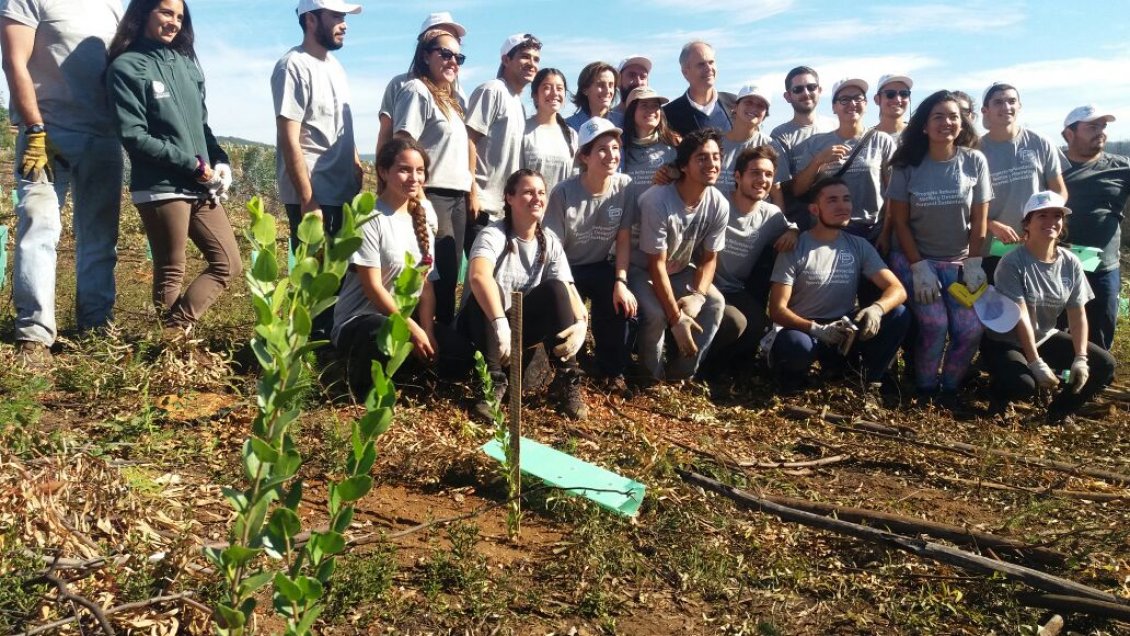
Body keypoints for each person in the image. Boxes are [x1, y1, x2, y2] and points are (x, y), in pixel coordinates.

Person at [106, 0, 240, 337]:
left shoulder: (187, 66)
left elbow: (202, 126)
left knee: (228, 263)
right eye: (166, 13)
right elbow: (134, 137)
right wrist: (193, 166)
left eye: (180, 16)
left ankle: (172, 333)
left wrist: (219, 159)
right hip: (161, 184)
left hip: (199, 184)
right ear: (143, 13)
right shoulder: (127, 67)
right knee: (171, 270)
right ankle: (172, 349)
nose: (174, 22)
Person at [0, 0, 123, 365]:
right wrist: (35, 127)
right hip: (49, 134)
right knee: (40, 227)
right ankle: (35, 336)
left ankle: (96, 328)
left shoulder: (112, 5)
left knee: (101, 237)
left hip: (103, 136)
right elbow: (13, 61)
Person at [332, 137, 472, 396]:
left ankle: (407, 372)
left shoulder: (423, 217)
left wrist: (427, 330)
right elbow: (373, 288)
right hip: (362, 320)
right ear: (384, 171)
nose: (414, 178)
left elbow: (426, 285)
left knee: (462, 354)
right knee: (381, 334)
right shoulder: (369, 217)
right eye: (404, 169)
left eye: (420, 171)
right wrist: (413, 328)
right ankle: (361, 384)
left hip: (409, 320)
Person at [887, 90, 991, 406]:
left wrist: (974, 263)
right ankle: (925, 388)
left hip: (958, 263)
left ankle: (950, 387)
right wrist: (918, 267)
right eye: (938, 117)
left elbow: (980, 220)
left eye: (953, 117)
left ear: (962, 123)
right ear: (923, 125)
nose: (946, 122)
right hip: (915, 259)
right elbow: (901, 223)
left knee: (970, 329)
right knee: (934, 325)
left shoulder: (974, 161)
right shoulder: (906, 165)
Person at [461, 169, 589, 420]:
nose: (536, 198)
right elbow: (478, 276)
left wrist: (582, 323)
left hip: (518, 327)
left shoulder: (549, 241)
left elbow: (567, 286)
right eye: (528, 192)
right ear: (509, 197)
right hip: (484, 324)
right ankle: (491, 385)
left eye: (541, 192)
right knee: (490, 289)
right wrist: (500, 325)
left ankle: (567, 379)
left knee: (555, 288)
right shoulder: (493, 234)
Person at [271, 0, 363, 341]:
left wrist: (355, 162)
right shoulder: (292, 66)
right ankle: (307, 354)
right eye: (336, 16)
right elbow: (290, 138)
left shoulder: (336, 66)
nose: (344, 24)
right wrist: (308, 200)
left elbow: (343, 124)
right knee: (315, 280)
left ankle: (330, 348)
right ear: (311, 20)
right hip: (314, 194)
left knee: (338, 276)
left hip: (341, 191)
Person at [982, 191, 1115, 423]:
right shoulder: (1012, 262)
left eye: (1057, 216)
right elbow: (1019, 314)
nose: (1051, 222)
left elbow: (1077, 313)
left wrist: (1081, 357)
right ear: (1027, 223)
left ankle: (1058, 412)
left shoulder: (1070, 262)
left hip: (1043, 336)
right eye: (1042, 216)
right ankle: (997, 394)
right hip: (1007, 340)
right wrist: (1034, 361)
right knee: (1024, 385)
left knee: (1104, 364)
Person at [768, 177, 909, 393]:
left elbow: (897, 289)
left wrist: (876, 309)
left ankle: (870, 382)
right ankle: (791, 380)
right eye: (832, 200)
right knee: (796, 347)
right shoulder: (796, 247)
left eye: (846, 199)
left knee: (899, 314)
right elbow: (777, 310)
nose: (842, 206)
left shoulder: (859, 245)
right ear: (815, 209)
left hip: (843, 330)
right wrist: (815, 329)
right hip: (804, 329)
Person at [628, 128, 728, 381]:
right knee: (656, 313)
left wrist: (698, 296)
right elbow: (655, 264)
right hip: (641, 268)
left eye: (716, 157)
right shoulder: (658, 200)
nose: (712, 164)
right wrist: (676, 319)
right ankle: (651, 377)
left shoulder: (718, 203)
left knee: (715, 304)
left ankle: (681, 374)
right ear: (683, 166)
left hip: (681, 268)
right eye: (702, 158)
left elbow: (709, 258)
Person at [543, 117, 636, 385]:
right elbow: (554, 250)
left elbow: (623, 238)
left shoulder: (625, 186)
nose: (611, 155)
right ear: (584, 156)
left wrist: (621, 281)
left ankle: (612, 370)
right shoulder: (563, 193)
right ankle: (568, 367)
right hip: (565, 267)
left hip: (598, 263)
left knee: (618, 302)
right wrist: (571, 293)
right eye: (602, 150)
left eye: (615, 148)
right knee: (567, 309)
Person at [392, 27, 474, 325]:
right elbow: (402, 143)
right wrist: (418, 196)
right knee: (432, 274)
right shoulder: (417, 91)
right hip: (432, 193)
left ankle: (443, 340)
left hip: (457, 195)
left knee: (451, 273)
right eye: (446, 54)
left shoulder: (450, 99)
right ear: (426, 56)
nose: (453, 61)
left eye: (459, 56)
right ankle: (427, 339)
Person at [698, 145, 796, 384]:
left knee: (758, 325)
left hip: (734, 288)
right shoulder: (716, 201)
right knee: (734, 322)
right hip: (702, 282)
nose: (762, 180)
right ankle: (696, 367)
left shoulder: (771, 214)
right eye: (755, 173)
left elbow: (791, 226)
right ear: (738, 176)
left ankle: (721, 369)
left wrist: (794, 231)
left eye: (768, 175)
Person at [1059, 105, 1129, 350]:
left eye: (1102, 126)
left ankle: (1091, 383)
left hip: (1102, 268)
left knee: (1099, 333)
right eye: (1091, 127)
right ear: (1069, 133)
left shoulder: (1123, 168)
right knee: (1054, 333)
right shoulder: (1051, 167)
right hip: (1055, 265)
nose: (1100, 132)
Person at [979, 82, 1067, 278]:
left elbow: (1059, 192)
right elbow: (965, 204)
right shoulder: (976, 150)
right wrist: (991, 224)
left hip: (1035, 247)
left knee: (1036, 307)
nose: (1006, 107)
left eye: (1012, 101)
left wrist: (1043, 224)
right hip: (992, 249)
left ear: (1020, 106)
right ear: (986, 110)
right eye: (998, 102)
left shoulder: (1040, 142)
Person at [792, 78, 895, 245]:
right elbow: (798, 190)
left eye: (858, 98)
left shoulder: (882, 141)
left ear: (866, 104)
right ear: (834, 107)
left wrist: (886, 233)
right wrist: (818, 161)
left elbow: (893, 193)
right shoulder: (816, 143)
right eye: (844, 99)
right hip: (828, 232)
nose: (852, 103)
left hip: (871, 233)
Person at [466, 33, 541, 232]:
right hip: (481, 207)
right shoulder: (492, 90)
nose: (531, 63)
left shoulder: (518, 103)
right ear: (506, 60)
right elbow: (469, 140)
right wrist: (472, 193)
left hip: (503, 211)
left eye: (536, 59)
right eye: (525, 56)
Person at [375, 11, 466, 159]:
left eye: (454, 38)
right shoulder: (404, 85)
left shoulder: (458, 93)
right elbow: (387, 136)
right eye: (445, 52)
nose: (452, 59)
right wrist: (383, 177)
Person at [772, 66, 827, 231]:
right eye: (798, 89)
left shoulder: (835, 126)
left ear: (820, 90)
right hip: (800, 226)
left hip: (837, 223)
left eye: (811, 87)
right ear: (788, 96)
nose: (806, 93)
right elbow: (782, 189)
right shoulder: (780, 134)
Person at [717, 83, 785, 207]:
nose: (753, 108)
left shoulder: (771, 146)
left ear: (765, 115)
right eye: (748, 102)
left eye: (760, 106)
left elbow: (776, 193)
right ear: (735, 107)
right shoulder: (715, 143)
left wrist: (779, 225)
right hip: (715, 220)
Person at [521, 68, 578, 194]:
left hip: (562, 211)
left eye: (559, 88)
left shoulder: (572, 135)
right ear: (535, 95)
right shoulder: (522, 129)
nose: (554, 93)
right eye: (547, 87)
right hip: (528, 209)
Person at [663, 41, 734, 137]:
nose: (709, 68)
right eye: (701, 64)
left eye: (711, 62)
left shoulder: (735, 104)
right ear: (685, 72)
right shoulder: (668, 116)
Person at [621, 86, 679, 186]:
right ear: (631, 111)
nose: (651, 110)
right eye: (644, 105)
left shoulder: (675, 143)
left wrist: (676, 174)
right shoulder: (619, 146)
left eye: (655, 106)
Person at [564, 61, 622, 130]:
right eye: (600, 85)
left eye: (611, 85)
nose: (607, 91)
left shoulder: (622, 122)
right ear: (585, 90)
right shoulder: (569, 126)